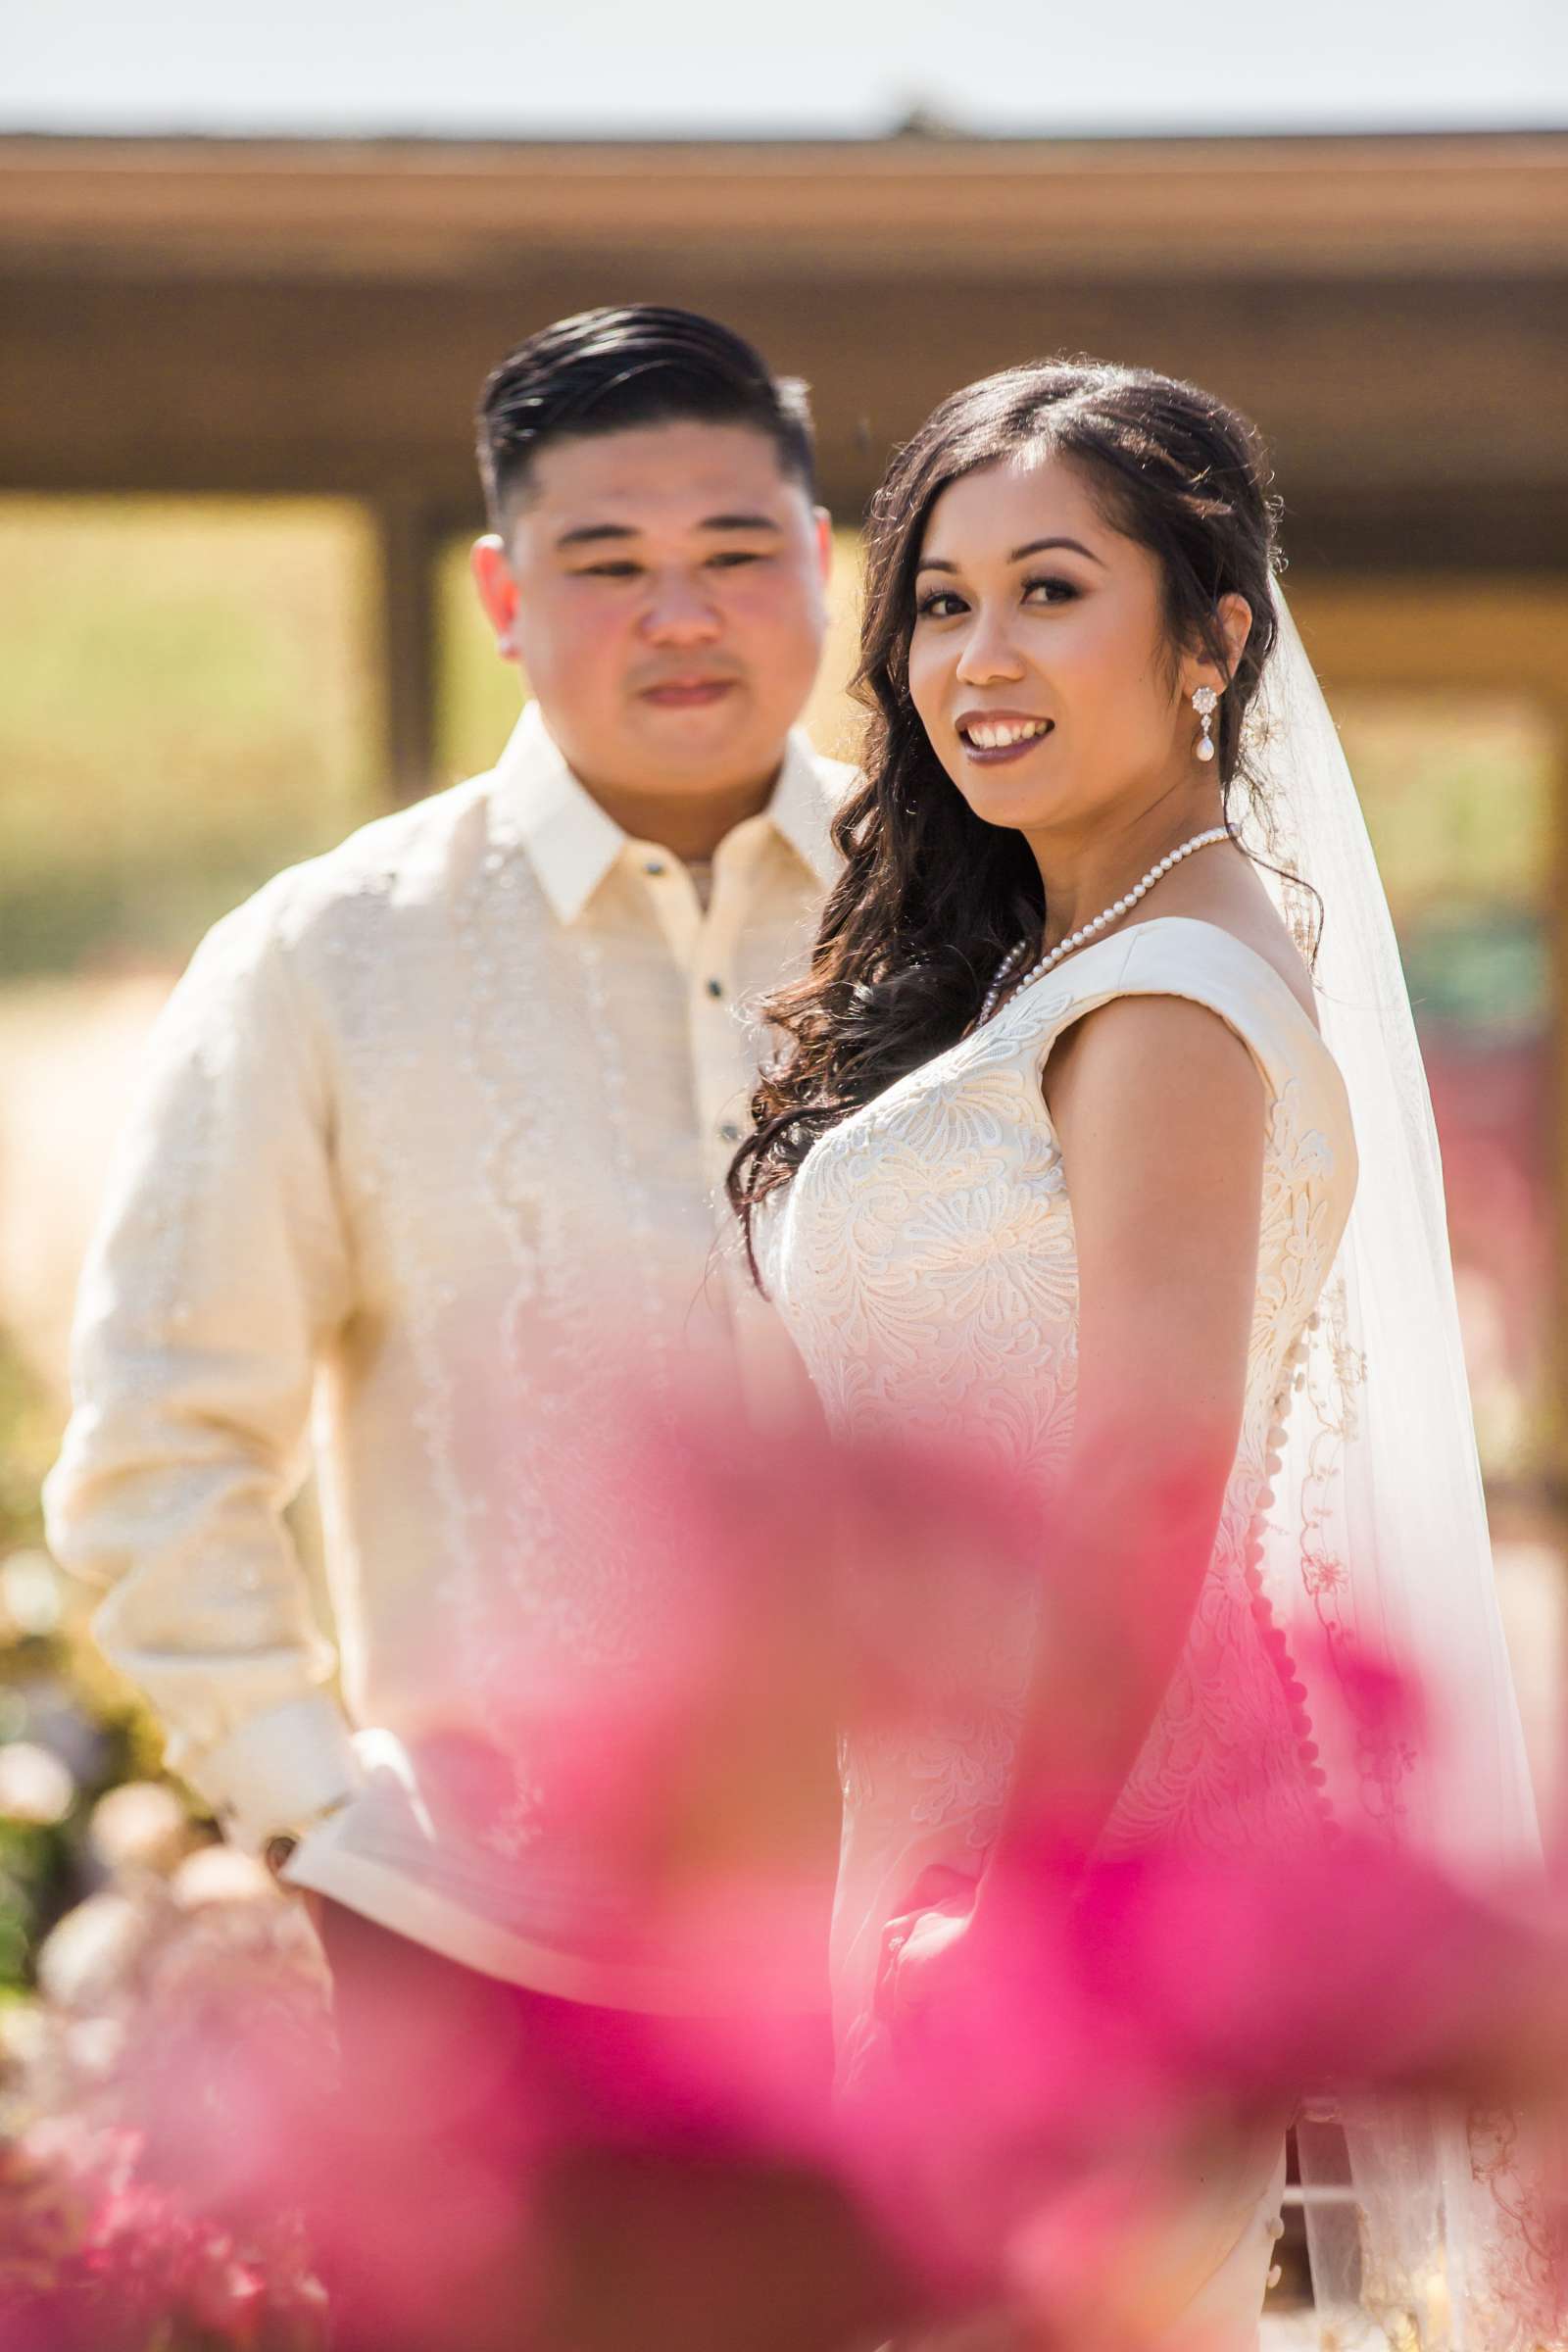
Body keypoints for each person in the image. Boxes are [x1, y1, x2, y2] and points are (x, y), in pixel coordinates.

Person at [44, 305, 886, 2351]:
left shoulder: (955, 913)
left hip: (900, 1952)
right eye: (609, 562)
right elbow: (158, 1453)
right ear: (506, 597)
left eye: (733, 548)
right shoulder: (330, 960)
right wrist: (327, 1822)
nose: (680, 613)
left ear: (820, 567)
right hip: (475, 1948)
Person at [730, 359, 1545, 2350]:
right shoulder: (1062, 963)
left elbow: (1145, 1473)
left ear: (1213, 639)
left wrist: (1010, 1916)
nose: (974, 655)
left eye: (1050, 591)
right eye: (937, 600)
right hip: (954, 1824)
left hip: (1082, 1882)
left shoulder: (1168, 997)